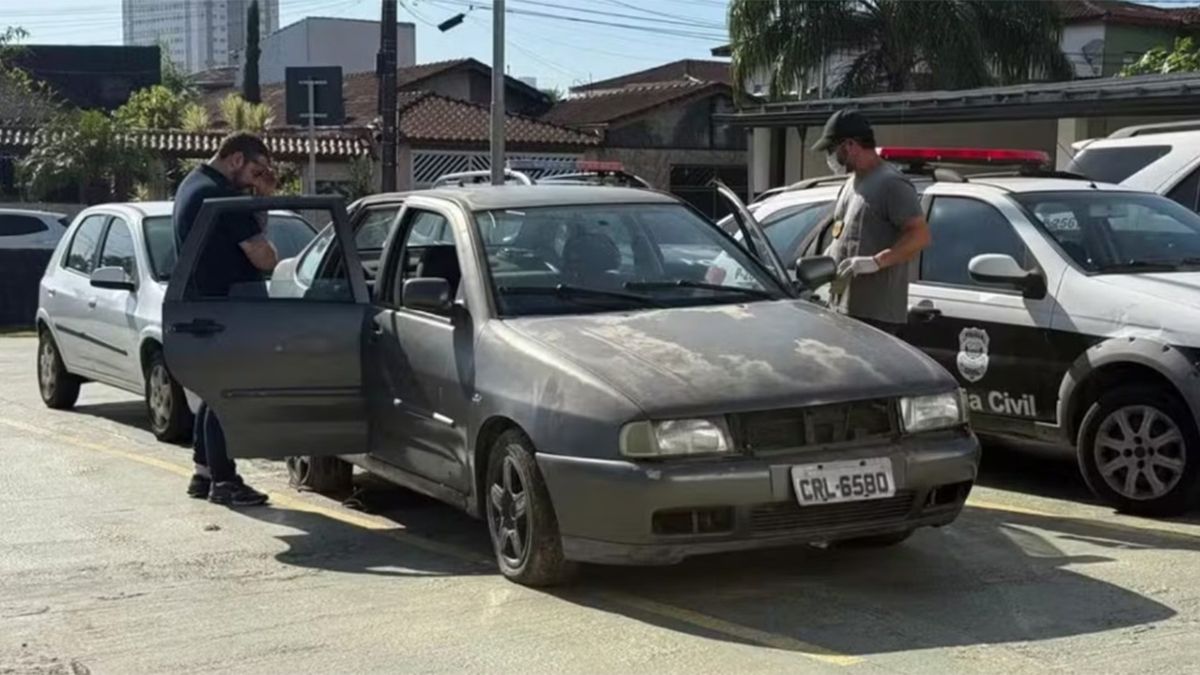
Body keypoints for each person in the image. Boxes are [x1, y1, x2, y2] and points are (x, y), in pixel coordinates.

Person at [172, 132, 279, 506]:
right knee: (227, 394)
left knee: (212, 392)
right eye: (256, 170)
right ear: (235, 160)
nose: (257, 179)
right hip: (229, 306)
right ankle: (224, 480)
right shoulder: (223, 198)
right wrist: (264, 202)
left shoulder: (193, 184)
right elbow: (265, 258)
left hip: (205, 303)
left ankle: (204, 473)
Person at [812, 109, 932, 335]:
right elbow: (842, 235)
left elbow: (919, 235)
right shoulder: (850, 184)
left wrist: (877, 262)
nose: (829, 157)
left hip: (876, 315)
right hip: (842, 306)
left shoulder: (891, 183)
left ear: (849, 145)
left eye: (831, 149)